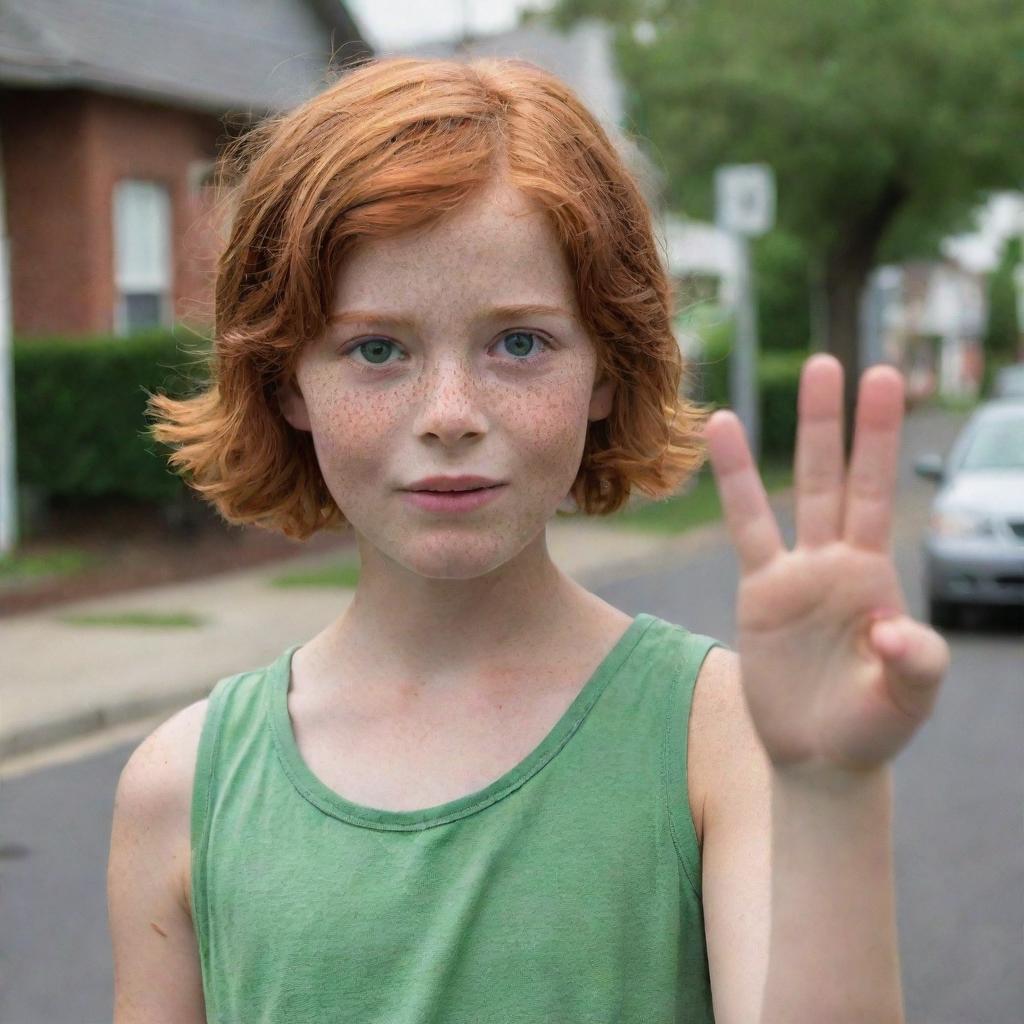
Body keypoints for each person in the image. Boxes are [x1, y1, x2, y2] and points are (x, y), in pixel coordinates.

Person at [106, 56, 950, 1023]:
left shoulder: (722, 740)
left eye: (519, 343)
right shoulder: (181, 790)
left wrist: (832, 793)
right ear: (286, 381)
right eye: (377, 349)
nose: (451, 414)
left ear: (605, 366)